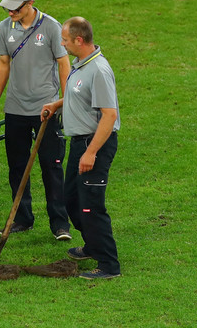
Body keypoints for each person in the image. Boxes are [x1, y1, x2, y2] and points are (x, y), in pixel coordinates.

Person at [0, 0, 72, 240]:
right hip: (15, 110)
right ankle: (22, 218)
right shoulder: (5, 27)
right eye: (8, 8)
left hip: (45, 111)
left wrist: (64, 101)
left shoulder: (51, 27)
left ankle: (60, 224)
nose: (11, 13)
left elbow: (63, 64)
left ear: (31, 4)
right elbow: (4, 63)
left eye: (16, 8)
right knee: (17, 167)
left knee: (51, 166)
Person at [42, 17, 121, 279]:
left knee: (91, 206)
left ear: (79, 40)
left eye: (65, 40)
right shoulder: (81, 65)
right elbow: (81, 96)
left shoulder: (99, 70)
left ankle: (109, 265)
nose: (62, 44)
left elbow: (109, 115)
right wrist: (58, 104)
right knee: (72, 200)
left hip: (93, 144)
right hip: (80, 143)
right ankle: (92, 246)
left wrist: (91, 152)